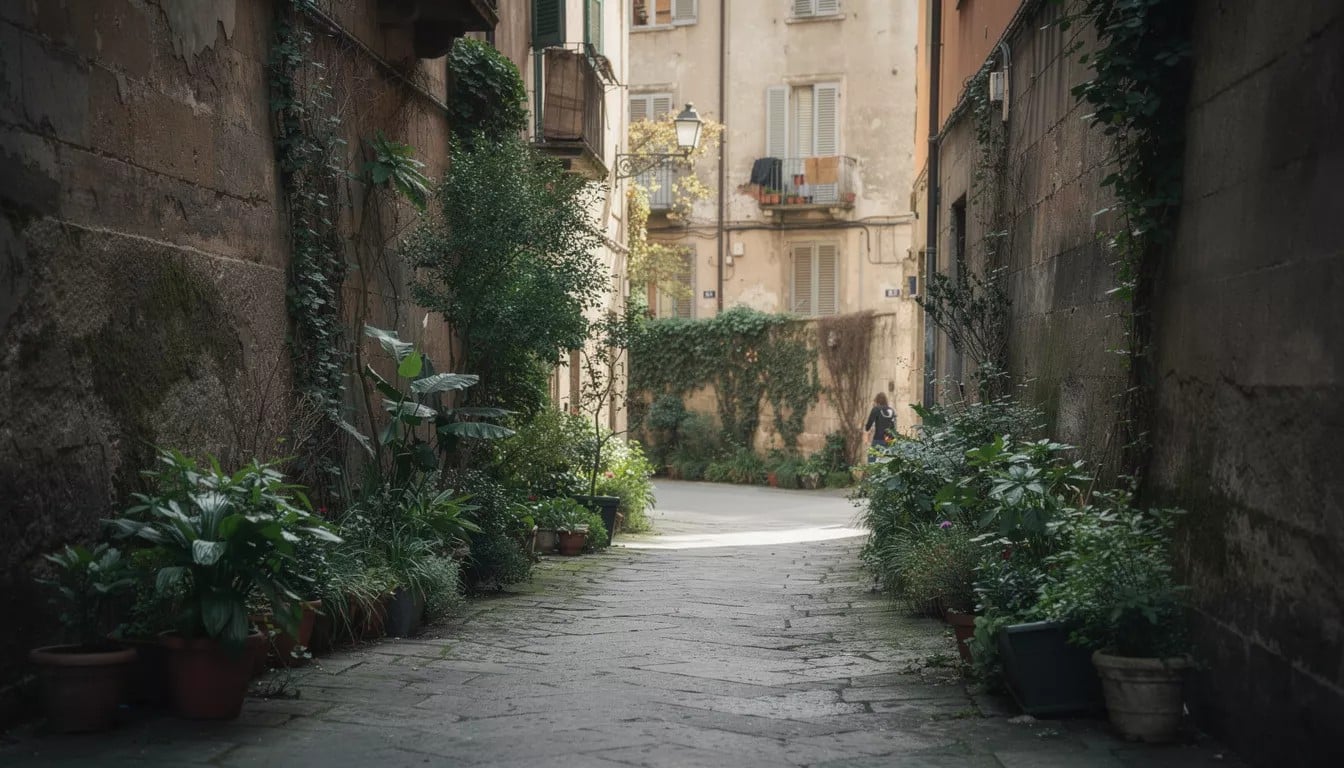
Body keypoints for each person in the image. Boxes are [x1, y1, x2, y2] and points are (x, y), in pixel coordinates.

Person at [863, 393, 897, 463]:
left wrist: (866, 431)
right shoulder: (892, 410)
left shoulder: (876, 409)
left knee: (872, 460)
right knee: (887, 462)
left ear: (877, 401)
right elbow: (894, 426)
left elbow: (869, 424)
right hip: (889, 440)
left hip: (878, 438)